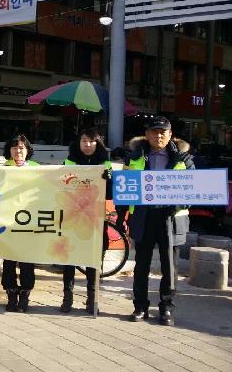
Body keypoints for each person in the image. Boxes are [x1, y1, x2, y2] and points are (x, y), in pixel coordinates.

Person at [116, 116, 194, 326]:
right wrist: (121, 217)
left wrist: (174, 205)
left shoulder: (183, 159)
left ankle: (166, 308)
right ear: (147, 134)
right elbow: (124, 190)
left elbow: (193, 190)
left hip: (171, 218)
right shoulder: (133, 158)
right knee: (141, 265)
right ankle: (140, 306)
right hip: (143, 216)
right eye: (154, 131)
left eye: (163, 132)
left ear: (170, 135)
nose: (158, 135)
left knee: (169, 267)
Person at [60, 129, 112, 314]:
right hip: (72, 219)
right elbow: (57, 187)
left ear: (98, 144)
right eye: (84, 140)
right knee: (69, 260)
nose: (87, 144)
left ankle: (92, 299)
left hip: (95, 220)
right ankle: (67, 298)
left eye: (92, 141)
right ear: (78, 143)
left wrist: (109, 181)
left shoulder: (105, 165)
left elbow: (110, 195)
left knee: (94, 259)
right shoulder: (68, 162)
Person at [1, 134, 38, 312]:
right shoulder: (2, 169)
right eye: (14, 147)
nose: (18, 151)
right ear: (9, 150)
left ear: (28, 150)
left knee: (27, 260)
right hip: (8, 221)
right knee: (8, 259)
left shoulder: (37, 168)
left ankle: (24, 294)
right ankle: (11, 294)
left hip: (29, 221)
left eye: (21, 147)